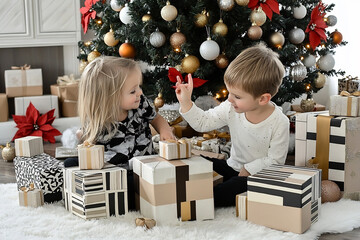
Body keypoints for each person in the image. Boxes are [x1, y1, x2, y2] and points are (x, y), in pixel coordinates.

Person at [175, 43, 289, 207]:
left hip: (256, 177)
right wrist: (186, 102)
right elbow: (203, 122)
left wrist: (250, 169)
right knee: (198, 161)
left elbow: (276, 161)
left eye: (237, 96)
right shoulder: (231, 108)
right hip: (232, 166)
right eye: (229, 93)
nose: (229, 99)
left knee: (221, 193)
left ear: (263, 99)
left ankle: (196, 203)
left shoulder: (279, 122)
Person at [65, 56, 175, 210]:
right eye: (132, 90)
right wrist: (83, 138)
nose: (139, 93)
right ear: (110, 97)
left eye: (139, 87)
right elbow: (88, 140)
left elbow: (156, 118)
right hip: (115, 173)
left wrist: (164, 130)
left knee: (149, 183)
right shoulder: (100, 120)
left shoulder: (141, 103)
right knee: (70, 164)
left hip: (145, 168)